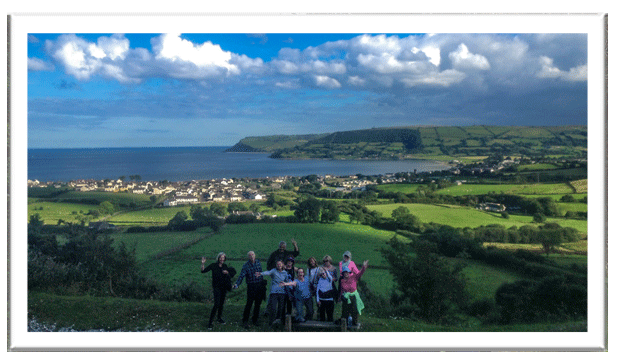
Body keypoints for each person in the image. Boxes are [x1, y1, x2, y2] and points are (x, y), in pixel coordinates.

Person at [201, 252, 236, 330]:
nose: (222, 259)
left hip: (223, 287)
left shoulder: (225, 266)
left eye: (223, 258)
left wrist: (227, 273)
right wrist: (203, 264)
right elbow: (203, 271)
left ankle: (219, 318)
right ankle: (210, 323)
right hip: (217, 287)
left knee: (221, 304)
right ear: (218, 258)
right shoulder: (213, 265)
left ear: (224, 259)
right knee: (216, 304)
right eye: (221, 257)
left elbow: (230, 275)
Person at [233, 251, 266, 329]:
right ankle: (245, 320)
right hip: (251, 286)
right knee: (249, 304)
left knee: (258, 304)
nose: (252, 256)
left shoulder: (258, 262)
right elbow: (241, 276)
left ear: (255, 255)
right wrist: (237, 284)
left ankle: (255, 320)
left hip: (260, 285)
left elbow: (261, 272)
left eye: (253, 255)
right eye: (250, 255)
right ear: (248, 257)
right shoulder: (246, 265)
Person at [256, 260, 291, 327]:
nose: (279, 265)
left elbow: (287, 283)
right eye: (277, 264)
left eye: (280, 264)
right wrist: (261, 273)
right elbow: (268, 272)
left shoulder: (285, 273)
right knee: (273, 308)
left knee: (281, 308)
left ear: (282, 265)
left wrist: (289, 294)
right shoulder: (273, 271)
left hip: (282, 293)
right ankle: (271, 322)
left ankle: (278, 321)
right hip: (274, 292)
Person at [339, 260, 369, 327]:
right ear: (343, 273)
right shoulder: (342, 281)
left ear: (349, 273)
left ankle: (354, 323)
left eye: (347, 272)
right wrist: (340, 298)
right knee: (345, 311)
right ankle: (344, 324)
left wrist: (364, 266)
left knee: (354, 311)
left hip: (354, 297)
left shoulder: (354, 277)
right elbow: (342, 290)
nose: (346, 274)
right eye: (345, 272)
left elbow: (361, 272)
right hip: (346, 297)